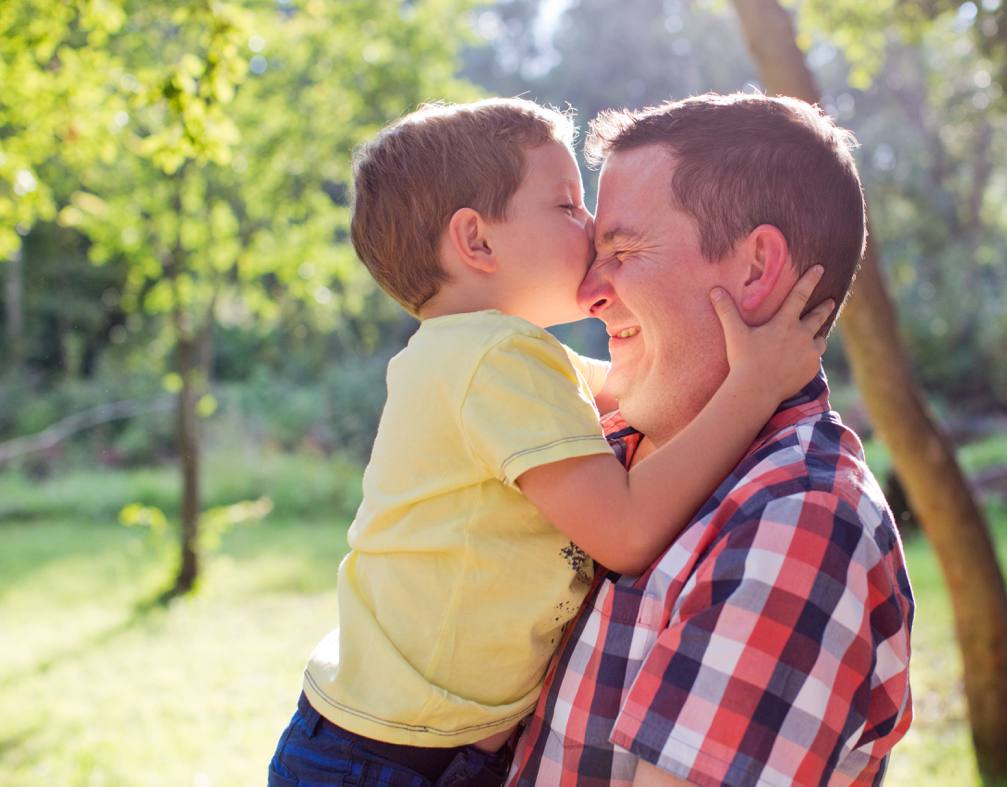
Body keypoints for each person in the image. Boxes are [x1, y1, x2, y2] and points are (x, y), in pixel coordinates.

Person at [267, 97, 833, 786]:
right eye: (569, 208)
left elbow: (640, 383)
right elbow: (624, 530)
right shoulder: (494, 357)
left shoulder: (485, 357)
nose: (593, 232)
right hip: (383, 763)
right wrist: (755, 383)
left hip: (397, 746)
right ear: (476, 241)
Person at [509, 93, 916, 787]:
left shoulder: (799, 519)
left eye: (625, 250)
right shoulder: (605, 454)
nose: (589, 289)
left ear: (756, 269)